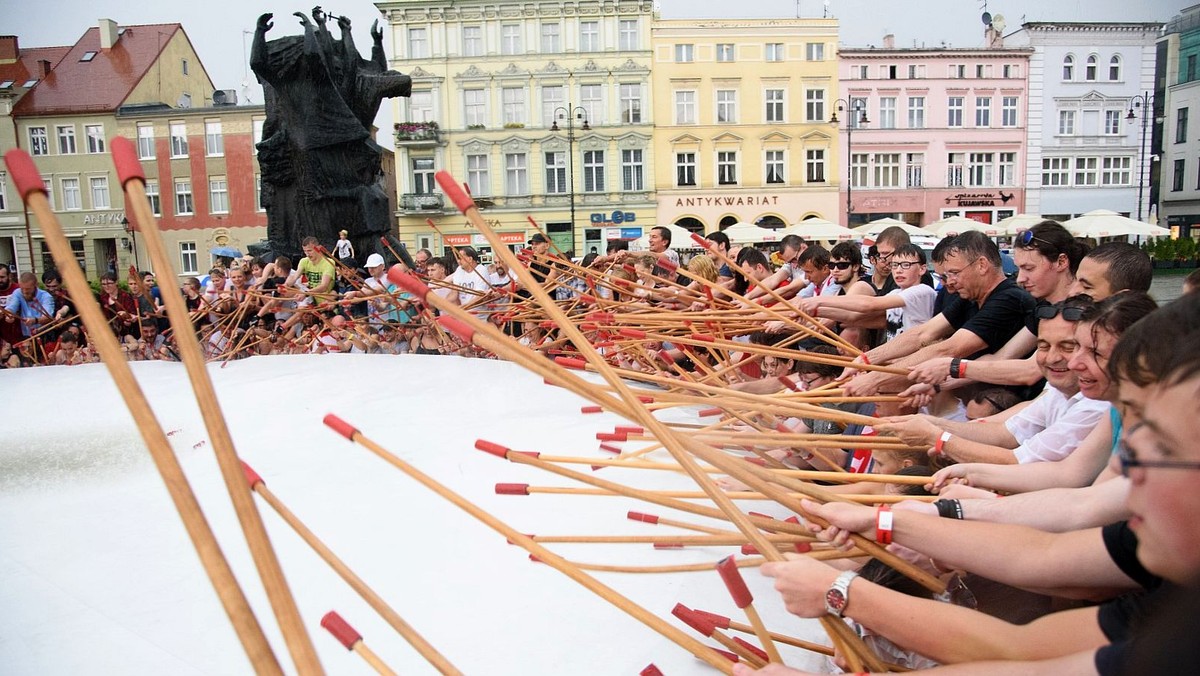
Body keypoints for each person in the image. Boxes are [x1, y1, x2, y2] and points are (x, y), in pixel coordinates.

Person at [878, 295, 1109, 465]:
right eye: (1043, 346)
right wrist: (931, 426)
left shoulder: (1096, 404)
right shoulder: (1058, 389)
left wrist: (936, 437)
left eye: (1068, 347)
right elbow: (1004, 434)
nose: (1052, 357)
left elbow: (1017, 461)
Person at [844, 232, 1036, 397]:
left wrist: (876, 378)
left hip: (1005, 402)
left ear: (982, 265)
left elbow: (949, 349)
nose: (950, 281)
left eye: (954, 273)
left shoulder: (1009, 298)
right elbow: (923, 333)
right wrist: (866, 359)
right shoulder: (969, 295)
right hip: (974, 394)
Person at [799, 243, 936, 343]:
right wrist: (815, 312)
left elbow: (868, 305)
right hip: (894, 361)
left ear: (922, 269)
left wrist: (818, 302)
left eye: (905, 265)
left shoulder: (923, 291)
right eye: (894, 265)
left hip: (914, 362)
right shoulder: (895, 293)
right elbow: (854, 317)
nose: (898, 270)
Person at [4, 271, 55, 340]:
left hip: (44, 335)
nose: (24, 292)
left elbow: (48, 317)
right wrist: (9, 315)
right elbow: (11, 307)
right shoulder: (18, 292)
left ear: (36, 285)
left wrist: (35, 321)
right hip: (26, 337)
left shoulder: (46, 297)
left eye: (28, 289)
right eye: (22, 288)